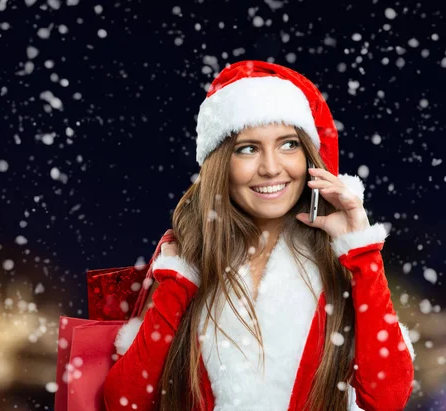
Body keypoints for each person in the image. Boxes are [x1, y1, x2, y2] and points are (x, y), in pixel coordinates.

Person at [101, 60, 415, 411]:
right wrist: (178, 284)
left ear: (310, 157)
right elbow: (125, 402)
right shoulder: (184, 260)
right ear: (220, 163)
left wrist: (361, 253)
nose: (270, 167)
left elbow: (387, 399)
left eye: (288, 145)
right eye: (247, 148)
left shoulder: (339, 261)